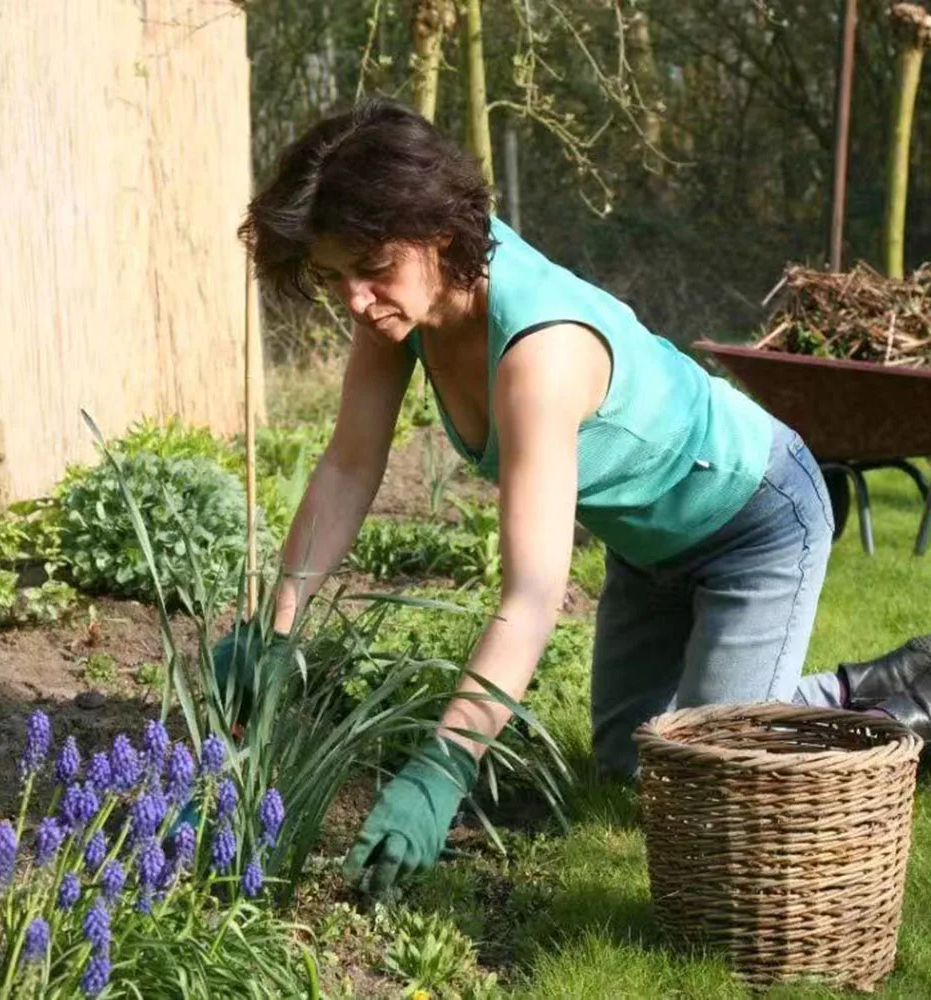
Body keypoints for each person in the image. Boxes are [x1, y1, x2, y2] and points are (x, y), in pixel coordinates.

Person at [234, 97, 931, 893]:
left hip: (755, 518)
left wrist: (444, 765)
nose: (357, 300)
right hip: (647, 548)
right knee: (632, 761)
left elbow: (532, 596)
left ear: (438, 232)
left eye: (371, 267)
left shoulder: (539, 352)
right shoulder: (404, 304)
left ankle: (885, 695)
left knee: (711, 776)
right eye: (334, 278)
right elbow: (349, 467)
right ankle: (796, 696)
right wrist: (274, 629)